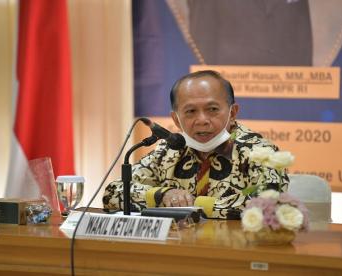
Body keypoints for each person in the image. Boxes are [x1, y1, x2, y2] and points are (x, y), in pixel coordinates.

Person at [103, 70, 289, 219]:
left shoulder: (260, 151)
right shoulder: (169, 150)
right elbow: (113, 194)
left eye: (212, 110)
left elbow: (269, 203)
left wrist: (194, 205)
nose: (202, 120)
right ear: (176, 119)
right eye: (190, 111)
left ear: (232, 113)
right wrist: (162, 195)